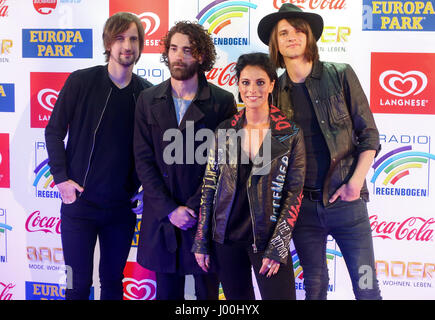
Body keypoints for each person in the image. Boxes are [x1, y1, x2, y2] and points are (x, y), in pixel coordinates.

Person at [257, 4, 382, 300]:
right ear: (275, 43)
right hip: (303, 211)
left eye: (298, 30)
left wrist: (354, 183)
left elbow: (370, 134)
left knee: (367, 287)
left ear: (309, 36)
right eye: (283, 33)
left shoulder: (340, 75)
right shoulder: (273, 92)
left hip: (347, 205)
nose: (292, 37)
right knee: (314, 289)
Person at [44, 12, 152, 300]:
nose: (126, 45)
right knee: (74, 285)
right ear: (108, 43)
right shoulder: (82, 81)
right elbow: (53, 131)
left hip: (121, 210)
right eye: (119, 38)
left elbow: (153, 151)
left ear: (141, 45)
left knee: (113, 283)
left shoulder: (147, 95)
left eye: (133, 39)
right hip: (79, 207)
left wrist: (147, 190)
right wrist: (62, 179)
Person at [133, 21, 237, 300]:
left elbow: (223, 164)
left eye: (187, 50)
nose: (179, 56)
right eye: (174, 49)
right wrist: (170, 209)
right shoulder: (147, 99)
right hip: (162, 217)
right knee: (167, 294)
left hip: (204, 218)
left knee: (207, 295)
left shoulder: (222, 101)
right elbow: (143, 159)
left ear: (201, 56)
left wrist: (192, 209)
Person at [192, 52, 306, 300]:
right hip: (226, 239)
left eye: (260, 82)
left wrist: (278, 246)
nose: (252, 89)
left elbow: (294, 193)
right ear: (239, 85)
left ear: (272, 84)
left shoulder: (288, 133)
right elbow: (209, 186)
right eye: (245, 82)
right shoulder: (226, 129)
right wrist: (201, 240)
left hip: (267, 238)